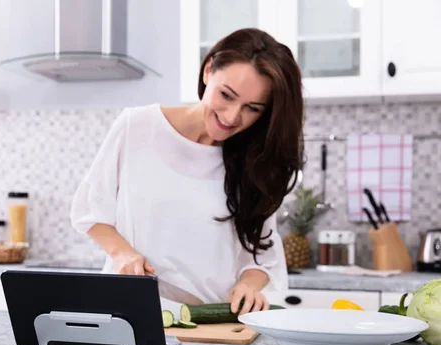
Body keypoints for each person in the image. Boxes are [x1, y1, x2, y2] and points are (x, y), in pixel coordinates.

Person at [70, 28, 304, 315]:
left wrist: (248, 286)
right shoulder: (137, 126)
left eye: (252, 108)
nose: (232, 117)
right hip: (129, 313)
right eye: (226, 95)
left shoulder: (257, 163)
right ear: (208, 71)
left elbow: (262, 259)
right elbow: (89, 211)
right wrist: (122, 253)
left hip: (212, 325)